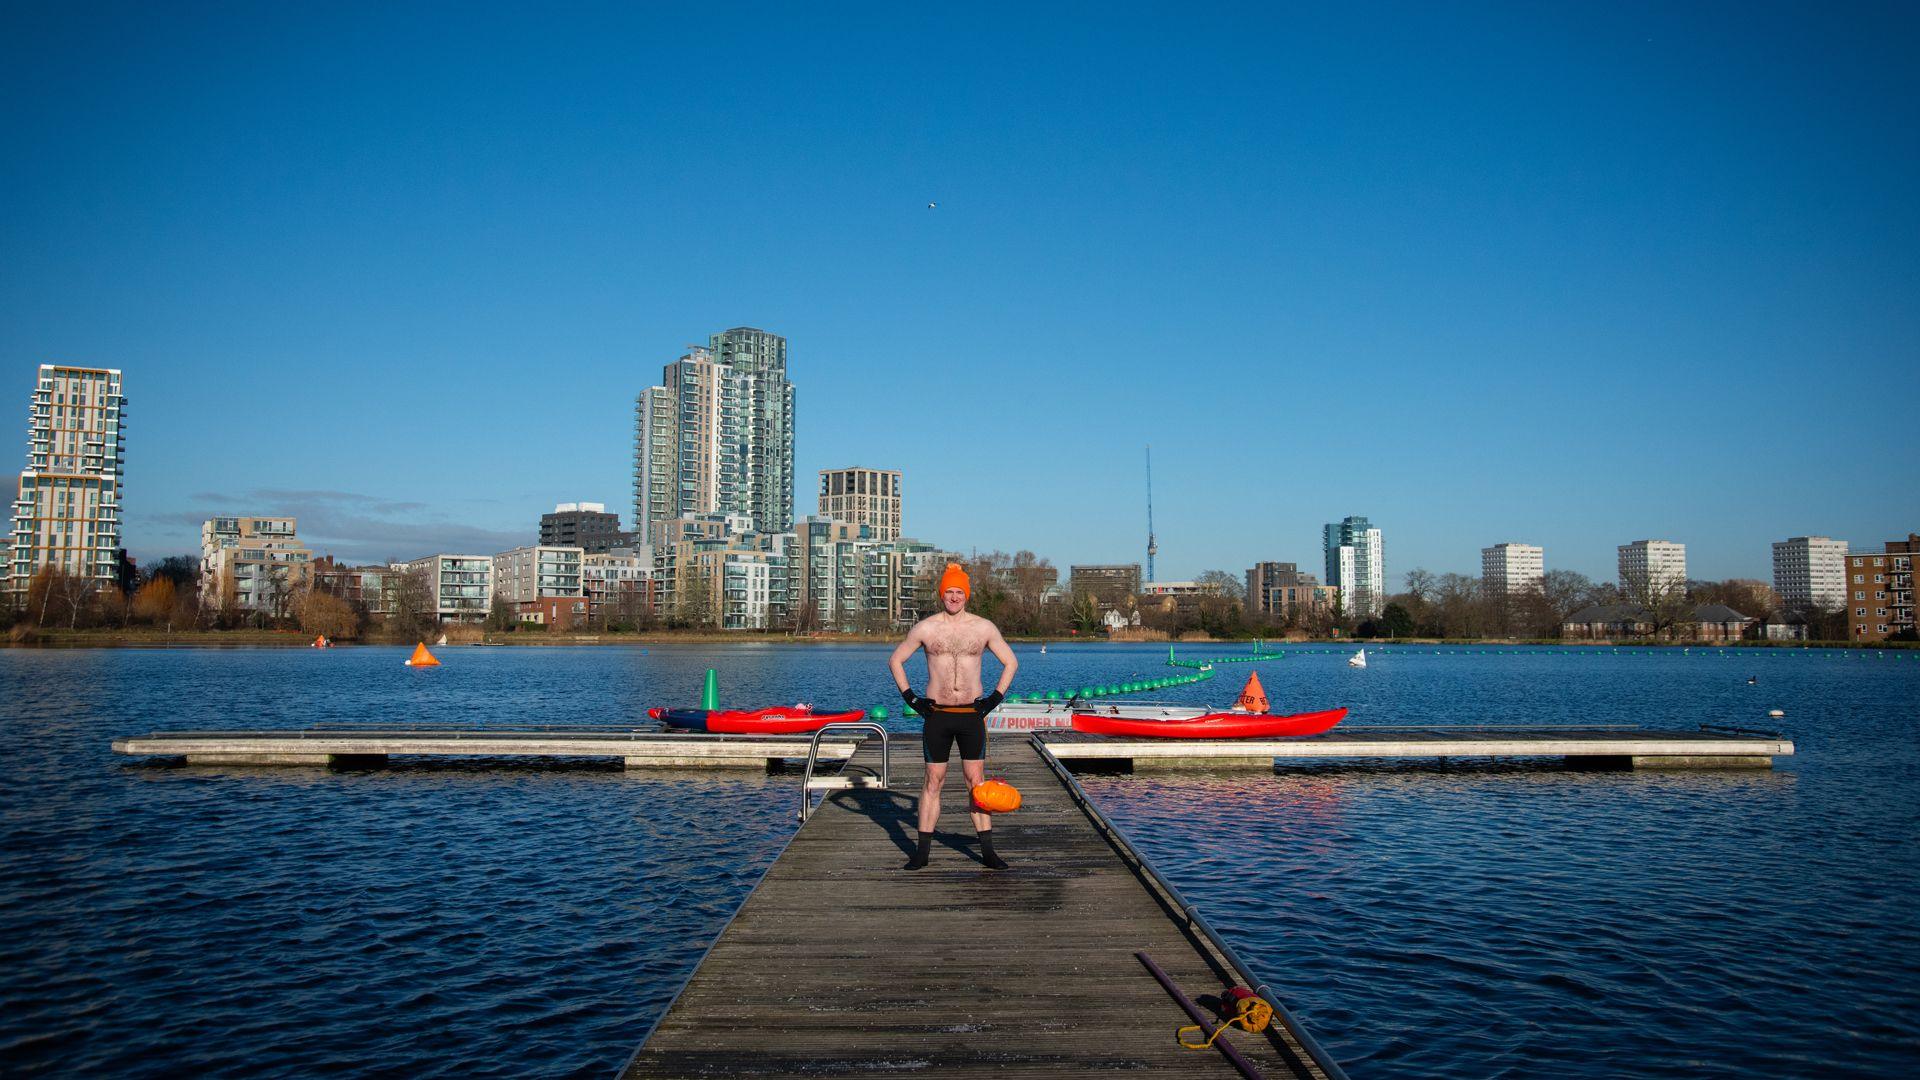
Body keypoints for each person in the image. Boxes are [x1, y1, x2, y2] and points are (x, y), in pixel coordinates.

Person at [888, 562, 1018, 870]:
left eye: (959, 591)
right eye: (949, 591)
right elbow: (895, 660)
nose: (954, 597)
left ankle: (988, 852)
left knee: (976, 781)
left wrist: (994, 700)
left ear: (967, 595)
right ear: (941, 594)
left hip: (972, 716)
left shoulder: (984, 628)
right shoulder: (926, 628)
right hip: (937, 716)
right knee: (933, 780)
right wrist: (912, 699)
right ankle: (922, 853)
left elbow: (1010, 663)